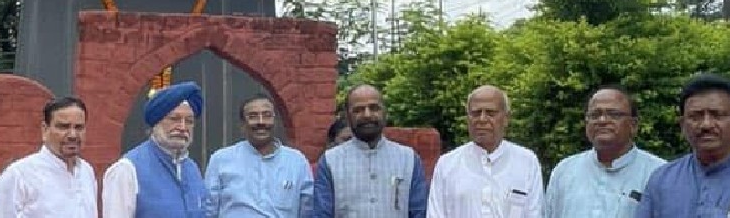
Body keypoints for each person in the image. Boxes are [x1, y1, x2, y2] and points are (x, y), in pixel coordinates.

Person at [637, 72, 730, 216]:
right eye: (695, 116)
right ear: (682, 125)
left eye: (717, 115)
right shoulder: (662, 180)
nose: (706, 124)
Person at [543, 85, 664, 218]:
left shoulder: (659, 174)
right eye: (595, 115)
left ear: (633, 125)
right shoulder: (565, 171)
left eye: (614, 114)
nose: (602, 121)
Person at [426, 85, 542, 218]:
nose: (482, 119)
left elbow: (534, 213)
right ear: (468, 119)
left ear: (506, 118)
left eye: (490, 113)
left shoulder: (527, 162)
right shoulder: (447, 165)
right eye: (475, 113)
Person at [314, 84, 428, 218]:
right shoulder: (330, 161)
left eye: (374, 108)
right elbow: (321, 214)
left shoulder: (408, 159)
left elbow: (419, 212)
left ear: (385, 112)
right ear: (347, 116)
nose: (367, 115)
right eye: (358, 110)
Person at [103, 81, 207, 218]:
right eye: (174, 119)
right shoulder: (127, 170)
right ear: (156, 122)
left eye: (189, 121)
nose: (182, 127)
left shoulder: (192, 168)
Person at [0, 96, 97, 218]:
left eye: (78, 127)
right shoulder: (20, 175)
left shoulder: (86, 172)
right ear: (45, 129)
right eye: (63, 127)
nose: (72, 135)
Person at [205, 93, 313, 217]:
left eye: (267, 116)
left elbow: (308, 211)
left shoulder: (297, 162)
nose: (261, 122)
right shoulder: (221, 160)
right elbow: (209, 211)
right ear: (242, 125)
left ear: (275, 121)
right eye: (253, 116)